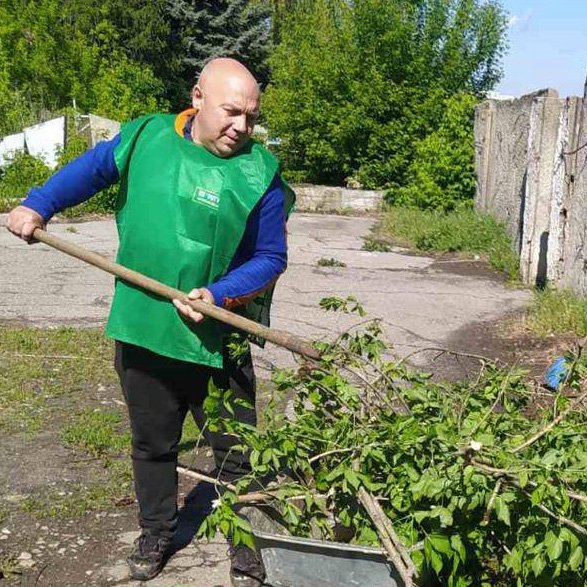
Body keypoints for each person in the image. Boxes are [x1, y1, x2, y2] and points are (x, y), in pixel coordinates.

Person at [6, 57, 294, 586]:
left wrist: (220, 294)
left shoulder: (261, 175)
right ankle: (157, 531)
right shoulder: (146, 137)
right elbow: (93, 169)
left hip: (218, 337)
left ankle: (248, 545)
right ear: (198, 97)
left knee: (236, 451)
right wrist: (39, 203)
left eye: (251, 117)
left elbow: (271, 257)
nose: (242, 127)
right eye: (232, 112)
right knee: (152, 442)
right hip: (144, 326)